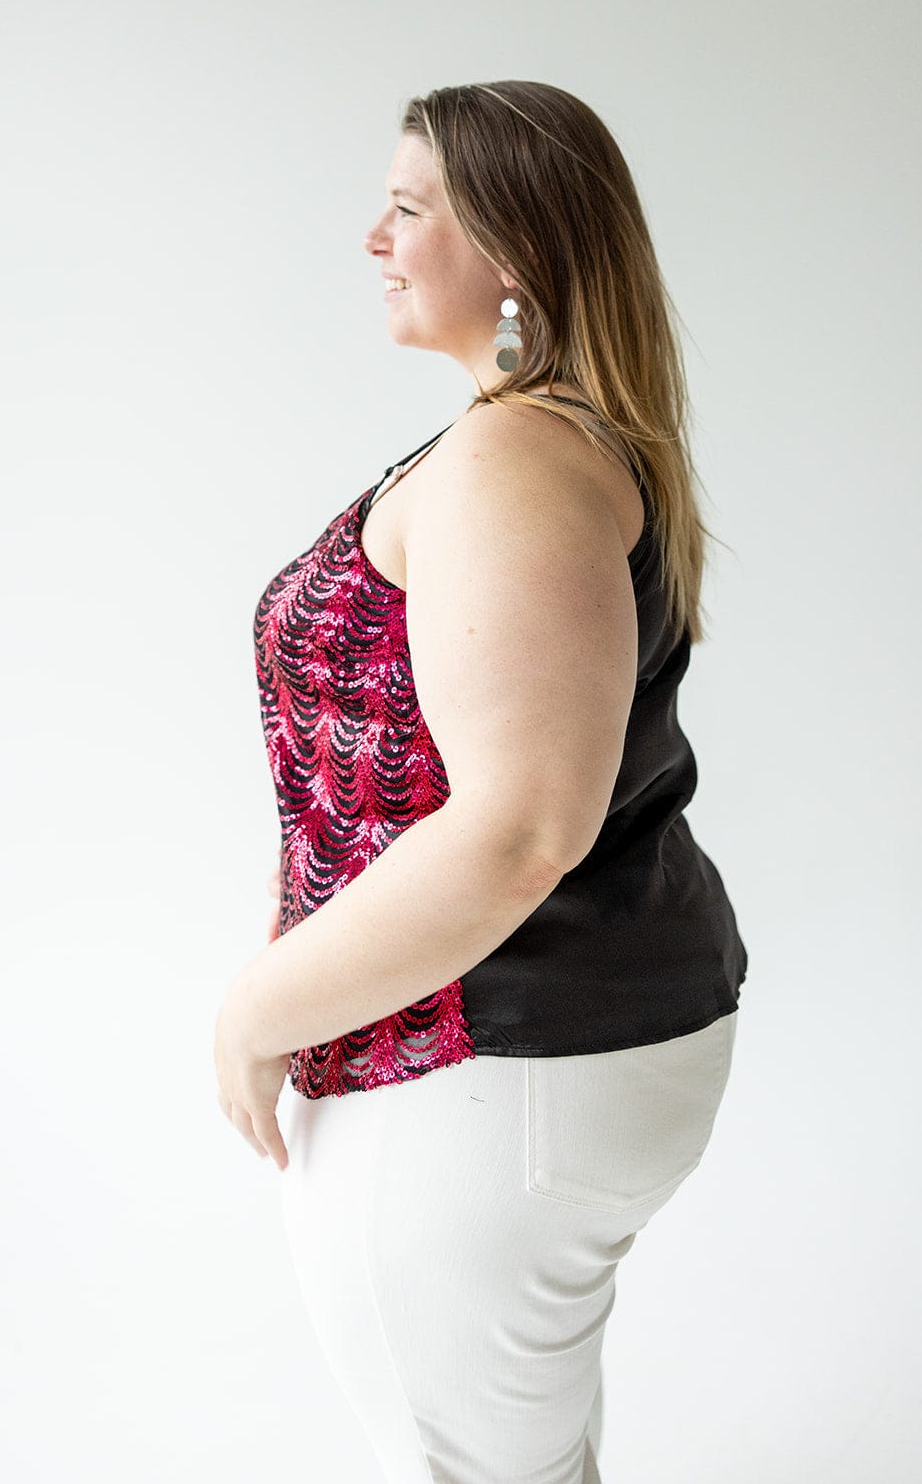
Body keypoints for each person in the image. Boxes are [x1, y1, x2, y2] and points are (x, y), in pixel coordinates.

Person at [214, 79, 749, 1483]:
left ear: (511, 247)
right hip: (550, 1051)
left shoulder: (516, 462)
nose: (373, 237)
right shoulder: (550, 437)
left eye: (409, 206)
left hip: (487, 1067)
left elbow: (520, 830)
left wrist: (256, 1012)